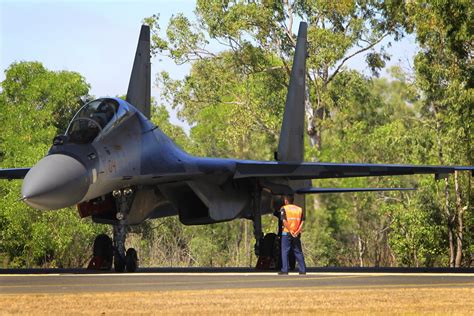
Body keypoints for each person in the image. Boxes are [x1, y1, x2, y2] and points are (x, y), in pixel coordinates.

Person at [278, 194, 306, 275]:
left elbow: (284, 221)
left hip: (286, 232)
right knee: (298, 251)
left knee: (285, 251)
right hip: (296, 233)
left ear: (286, 201)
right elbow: (302, 221)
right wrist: (297, 231)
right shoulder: (299, 209)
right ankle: (302, 270)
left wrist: (290, 230)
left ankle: (285, 270)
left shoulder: (284, 208)